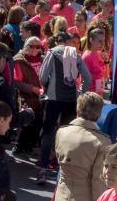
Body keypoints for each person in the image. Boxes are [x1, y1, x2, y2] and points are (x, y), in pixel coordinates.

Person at [50, 92, 111, 201]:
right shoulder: (101, 142)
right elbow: (98, 182)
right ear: (99, 114)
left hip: (62, 198)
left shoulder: (62, 132)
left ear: (78, 108)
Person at [37, 32, 92, 183]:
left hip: (54, 98)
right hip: (71, 99)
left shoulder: (52, 53)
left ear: (57, 41)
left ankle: (43, 169)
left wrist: (47, 86)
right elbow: (88, 78)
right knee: (66, 134)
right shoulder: (75, 55)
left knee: (48, 133)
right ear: (68, 42)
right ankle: (63, 171)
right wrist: (81, 93)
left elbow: (42, 77)